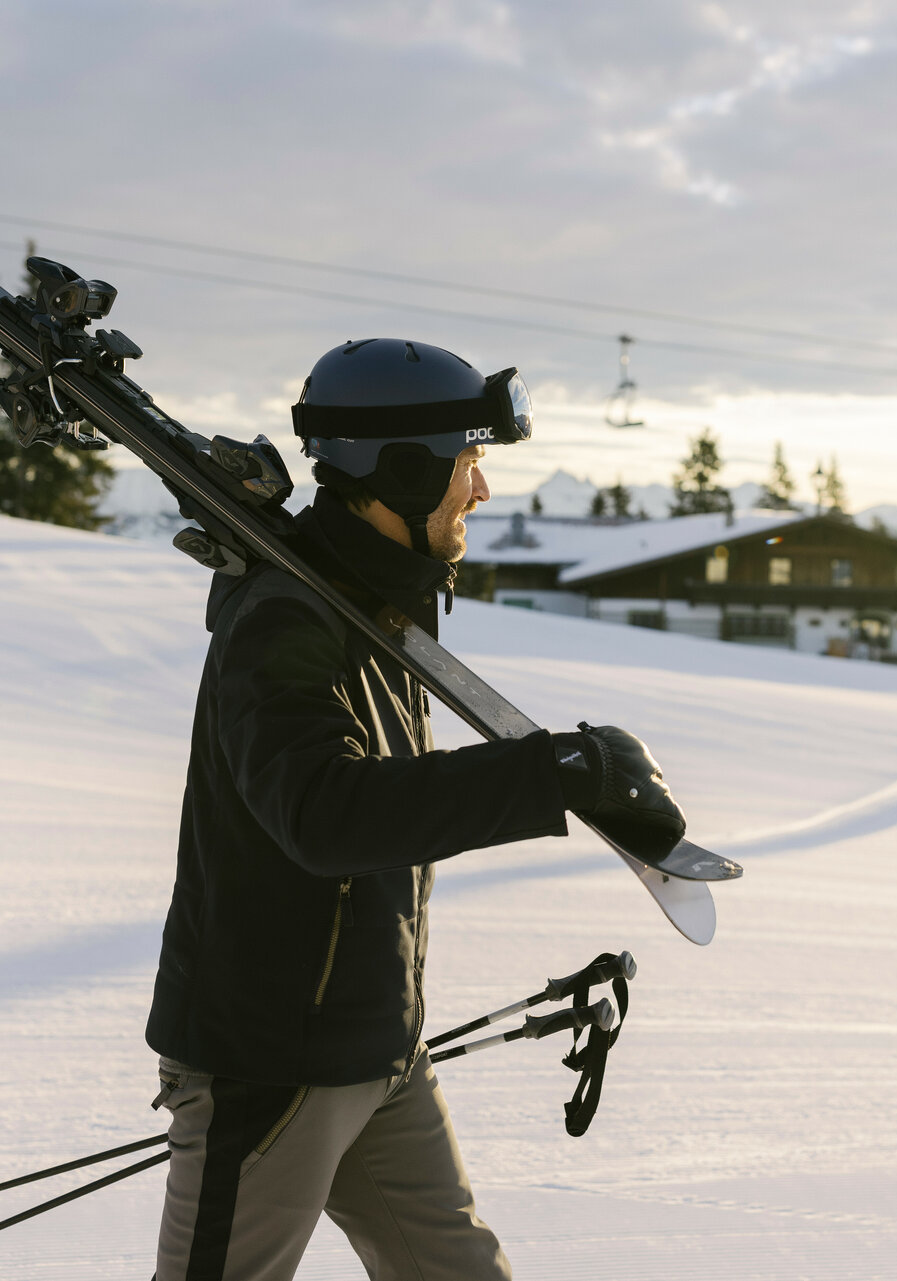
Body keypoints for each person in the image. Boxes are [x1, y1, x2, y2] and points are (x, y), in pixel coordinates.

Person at [147, 338, 687, 1281]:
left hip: (380, 1048)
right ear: (402, 471)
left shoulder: (370, 609)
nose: (479, 492)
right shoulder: (286, 619)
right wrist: (547, 774)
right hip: (270, 1065)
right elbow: (324, 814)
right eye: (468, 463)